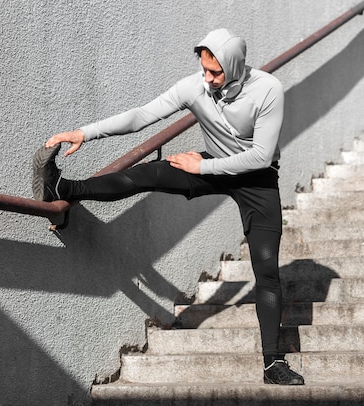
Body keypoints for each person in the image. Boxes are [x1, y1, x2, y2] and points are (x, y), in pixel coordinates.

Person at [32, 28, 305, 385]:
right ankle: (62, 187)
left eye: (215, 72)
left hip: (257, 179)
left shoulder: (267, 89)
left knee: (266, 269)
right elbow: (142, 115)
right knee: (147, 175)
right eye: (204, 70)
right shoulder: (195, 86)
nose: (207, 79)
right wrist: (86, 132)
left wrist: (202, 166)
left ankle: (273, 363)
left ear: (236, 66)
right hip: (211, 165)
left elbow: (260, 156)